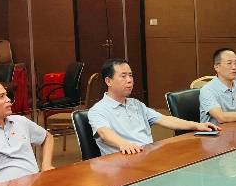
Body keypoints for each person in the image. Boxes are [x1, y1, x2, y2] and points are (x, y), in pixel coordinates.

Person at [88, 58, 220, 155]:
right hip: (123, 161)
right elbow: (104, 133)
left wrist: (197, 125)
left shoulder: (135, 104)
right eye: (123, 76)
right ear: (108, 81)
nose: (129, 80)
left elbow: (164, 119)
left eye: (130, 75)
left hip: (148, 156)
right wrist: (124, 144)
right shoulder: (98, 110)